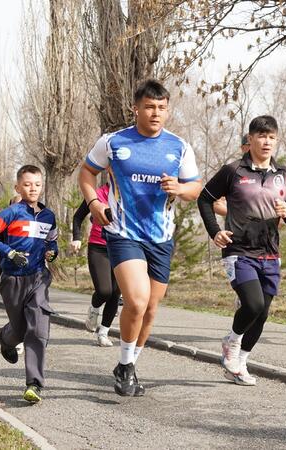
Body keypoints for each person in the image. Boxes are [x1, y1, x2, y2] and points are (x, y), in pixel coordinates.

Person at [78, 79, 202, 397]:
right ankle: (125, 363)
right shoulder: (114, 142)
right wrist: (94, 203)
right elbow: (87, 172)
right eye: (149, 107)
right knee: (135, 300)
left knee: (151, 310)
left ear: (168, 110)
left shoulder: (179, 147)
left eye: (161, 108)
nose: (156, 113)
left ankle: (128, 365)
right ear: (136, 108)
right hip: (123, 233)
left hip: (161, 237)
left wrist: (180, 188)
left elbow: (196, 188)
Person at [198, 115, 286, 386]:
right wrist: (214, 231)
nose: (266, 142)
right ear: (251, 139)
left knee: (262, 313)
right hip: (239, 250)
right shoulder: (234, 171)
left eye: (271, 137)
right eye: (261, 136)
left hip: (270, 252)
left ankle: (240, 363)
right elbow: (205, 198)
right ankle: (231, 342)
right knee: (252, 304)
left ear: (276, 140)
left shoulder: (285, 175)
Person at [0, 165, 59, 404]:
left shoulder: (49, 216)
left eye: (36, 184)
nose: (32, 188)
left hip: (38, 277)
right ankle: (6, 338)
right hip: (12, 279)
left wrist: (51, 254)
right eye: (27, 184)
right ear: (18, 187)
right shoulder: (11, 213)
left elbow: (51, 244)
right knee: (20, 329)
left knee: (38, 329)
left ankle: (34, 384)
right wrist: (10, 253)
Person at [72, 184, 120, 347]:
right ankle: (94, 307)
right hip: (99, 247)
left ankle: (103, 332)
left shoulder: (131, 191)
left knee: (115, 292)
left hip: (123, 247)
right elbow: (78, 217)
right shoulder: (98, 193)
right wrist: (76, 238)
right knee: (105, 290)